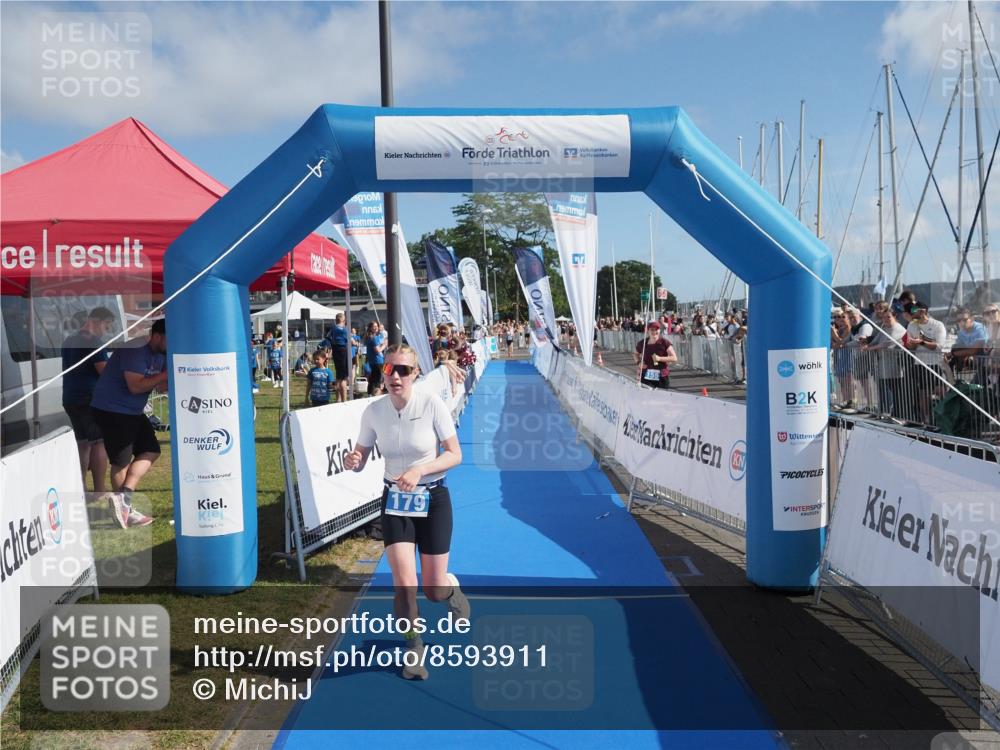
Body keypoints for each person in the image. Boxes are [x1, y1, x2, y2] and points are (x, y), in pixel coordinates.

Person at [343, 344, 468, 681]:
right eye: (389, 370)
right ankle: (414, 649)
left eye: (403, 370)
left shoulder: (431, 405)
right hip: (395, 501)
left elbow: (455, 454)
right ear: (382, 372)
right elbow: (360, 455)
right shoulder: (374, 411)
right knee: (404, 584)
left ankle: (450, 589)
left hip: (433, 498)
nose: (395, 376)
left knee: (432, 588)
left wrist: (420, 471)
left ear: (415, 374)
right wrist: (352, 461)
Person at [89, 318, 167, 529]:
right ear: (157, 336)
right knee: (121, 461)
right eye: (169, 340)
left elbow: (161, 388)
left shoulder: (161, 353)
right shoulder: (135, 349)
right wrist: (165, 375)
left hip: (131, 410)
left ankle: (123, 498)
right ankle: (124, 509)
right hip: (111, 409)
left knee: (151, 450)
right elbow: (136, 386)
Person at [62, 306, 116, 496]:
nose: (107, 330)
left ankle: (81, 488)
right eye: (107, 325)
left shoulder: (69, 340)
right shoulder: (94, 342)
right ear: (99, 321)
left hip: (69, 397)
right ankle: (100, 490)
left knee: (83, 443)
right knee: (99, 442)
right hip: (89, 398)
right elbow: (105, 372)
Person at [633, 321, 677, 389]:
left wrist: (660, 358)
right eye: (652, 330)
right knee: (646, 397)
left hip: (661, 376)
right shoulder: (643, 343)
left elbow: (674, 358)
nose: (654, 332)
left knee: (661, 398)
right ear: (648, 331)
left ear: (659, 330)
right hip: (646, 375)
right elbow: (635, 354)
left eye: (657, 329)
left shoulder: (664, 342)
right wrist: (639, 363)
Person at [325, 313, 351, 403]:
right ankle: (344, 400)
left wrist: (331, 347)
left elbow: (327, 338)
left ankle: (338, 399)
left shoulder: (333, 328)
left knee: (338, 376)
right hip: (343, 351)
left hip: (336, 350)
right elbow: (351, 340)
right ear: (344, 320)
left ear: (336, 320)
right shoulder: (345, 329)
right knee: (343, 378)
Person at [365, 321, 387, 396]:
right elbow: (377, 350)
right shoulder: (373, 338)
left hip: (375, 361)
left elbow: (380, 341)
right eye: (374, 326)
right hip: (377, 361)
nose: (375, 328)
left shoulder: (375, 337)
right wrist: (384, 345)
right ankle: (375, 394)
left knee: (373, 378)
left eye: (376, 326)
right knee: (377, 380)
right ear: (370, 328)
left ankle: (370, 394)